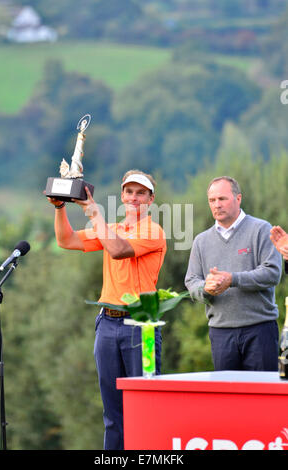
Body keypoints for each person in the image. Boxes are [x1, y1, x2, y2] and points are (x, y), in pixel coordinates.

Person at [47, 169, 166, 450]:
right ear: (123, 196)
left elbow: (117, 250)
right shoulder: (109, 227)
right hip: (107, 325)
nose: (134, 198)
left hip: (142, 326)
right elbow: (66, 240)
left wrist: (93, 213)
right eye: (129, 192)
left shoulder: (153, 231)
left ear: (151, 199)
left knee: (145, 410)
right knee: (113, 415)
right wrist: (60, 207)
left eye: (141, 193)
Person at [185, 176, 282, 371]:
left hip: (259, 329)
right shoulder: (201, 241)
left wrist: (232, 279)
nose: (217, 205)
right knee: (228, 400)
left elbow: (272, 273)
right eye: (212, 200)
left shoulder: (261, 229)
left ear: (238, 199)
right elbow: (191, 281)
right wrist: (206, 288)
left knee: (262, 398)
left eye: (222, 199)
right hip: (220, 333)